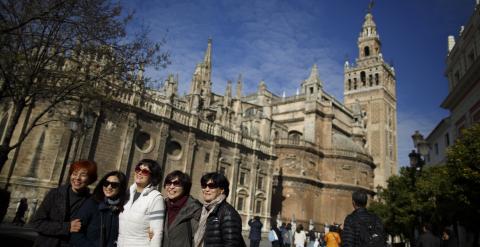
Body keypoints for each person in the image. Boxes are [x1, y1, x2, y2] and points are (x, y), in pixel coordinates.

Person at [32, 160, 98, 247]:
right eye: (74, 173)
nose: (77, 178)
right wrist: (66, 227)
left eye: (83, 175)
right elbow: (37, 223)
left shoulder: (91, 202)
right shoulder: (55, 194)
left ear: (90, 179)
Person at [70, 171, 128, 247]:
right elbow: (75, 233)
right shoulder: (91, 204)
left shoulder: (124, 209)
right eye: (106, 183)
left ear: (121, 188)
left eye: (114, 185)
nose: (109, 187)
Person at [117, 159, 165, 247]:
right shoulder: (127, 193)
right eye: (138, 169)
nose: (139, 173)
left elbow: (156, 233)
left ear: (153, 176)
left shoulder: (156, 198)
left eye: (145, 171)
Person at [193, 172, 245, 247]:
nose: (207, 189)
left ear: (221, 190)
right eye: (204, 186)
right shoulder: (204, 211)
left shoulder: (228, 212)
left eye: (211, 186)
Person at [162, 170, 202, 247]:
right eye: (168, 183)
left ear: (185, 187)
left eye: (176, 183)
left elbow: (198, 240)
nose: (171, 187)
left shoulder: (195, 209)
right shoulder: (161, 206)